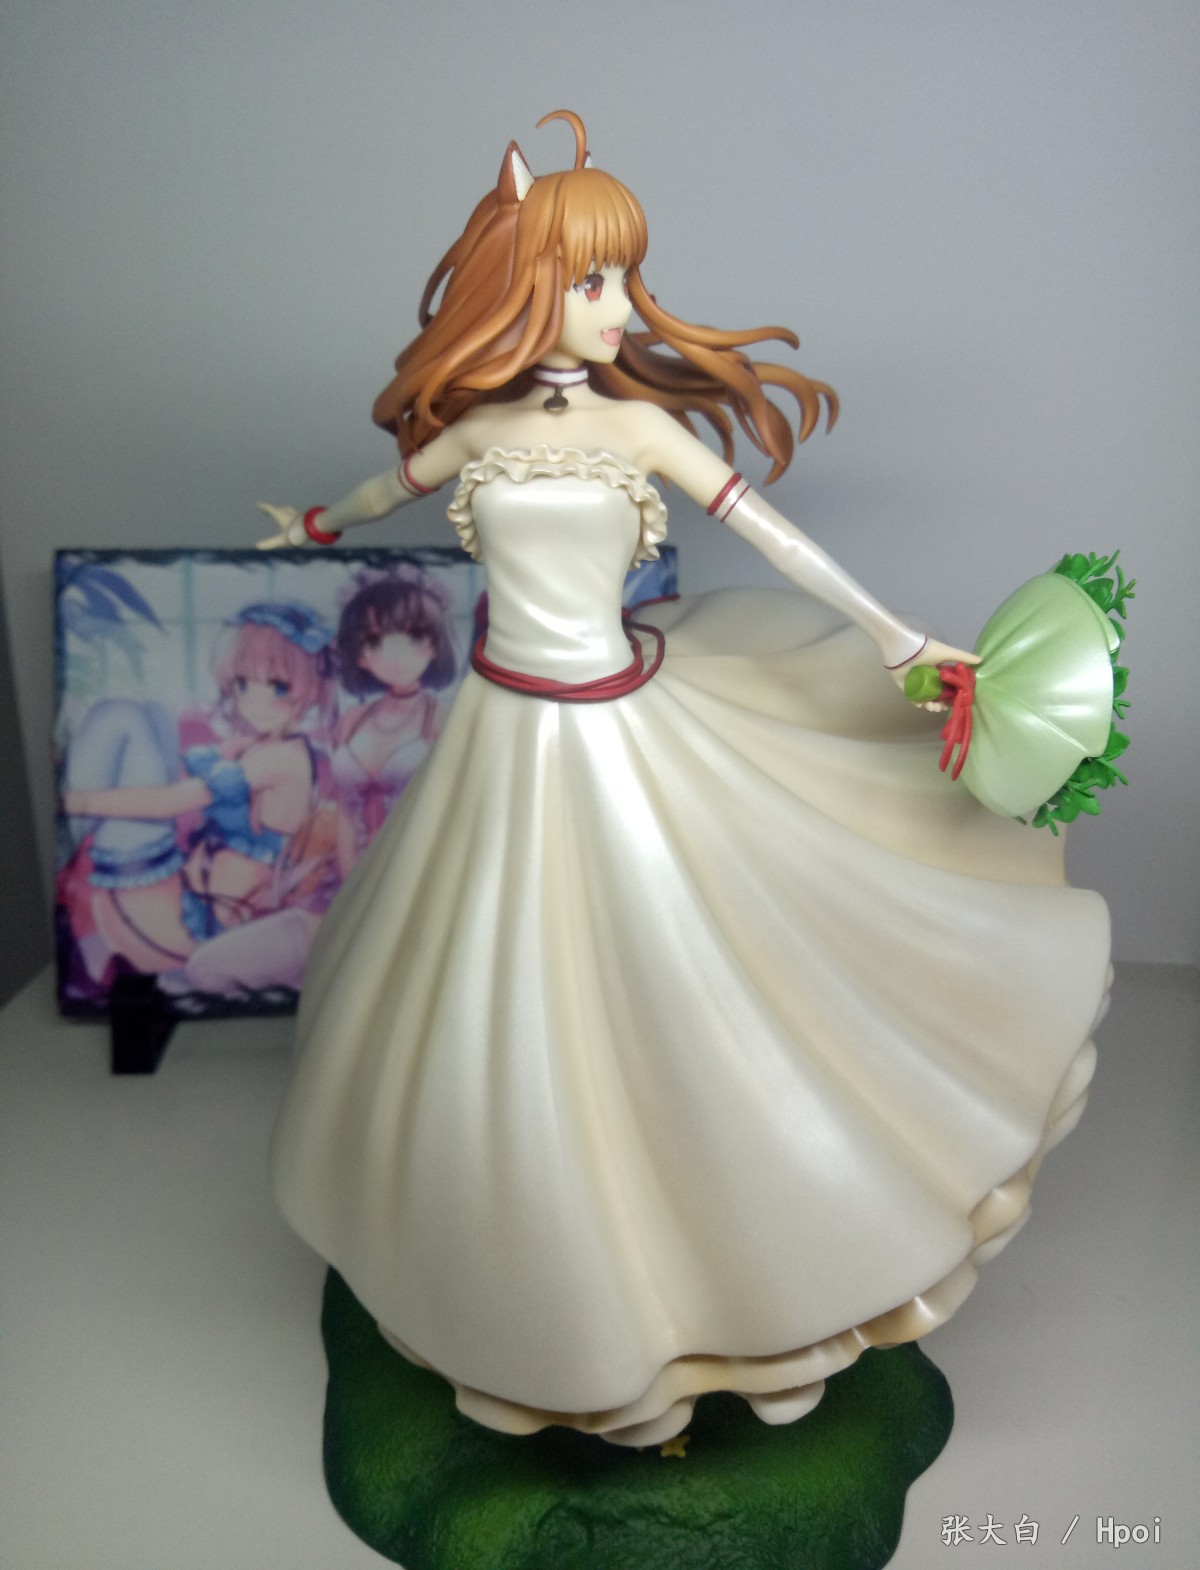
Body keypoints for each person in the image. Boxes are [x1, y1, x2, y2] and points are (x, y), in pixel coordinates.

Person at [261, 113, 1110, 1447]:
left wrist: (895, 637)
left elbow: (775, 538)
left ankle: (745, 1264)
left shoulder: (641, 427)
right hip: (503, 735)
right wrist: (311, 523)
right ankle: (523, 1288)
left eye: (624, 279)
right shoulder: (480, 433)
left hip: (612, 728)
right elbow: (383, 487)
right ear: (529, 287)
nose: (619, 308)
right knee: (485, 996)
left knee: (675, 981)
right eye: (593, 279)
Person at [62, 601, 336, 981]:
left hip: (185, 923)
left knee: (118, 715)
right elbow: (190, 766)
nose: (254, 702)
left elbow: (172, 802)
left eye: (277, 687)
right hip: (180, 888)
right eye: (243, 685)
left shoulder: (279, 760)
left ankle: (63, 842)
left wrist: (75, 802)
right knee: (154, 714)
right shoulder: (262, 746)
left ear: (312, 689)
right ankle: (65, 844)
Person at [331, 568, 457, 876]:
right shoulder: (351, 721)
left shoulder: (444, 719)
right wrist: (350, 880)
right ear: (359, 655)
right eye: (374, 640)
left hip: (423, 871)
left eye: (415, 636)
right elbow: (344, 812)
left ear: (436, 645)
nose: (396, 655)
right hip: (358, 870)